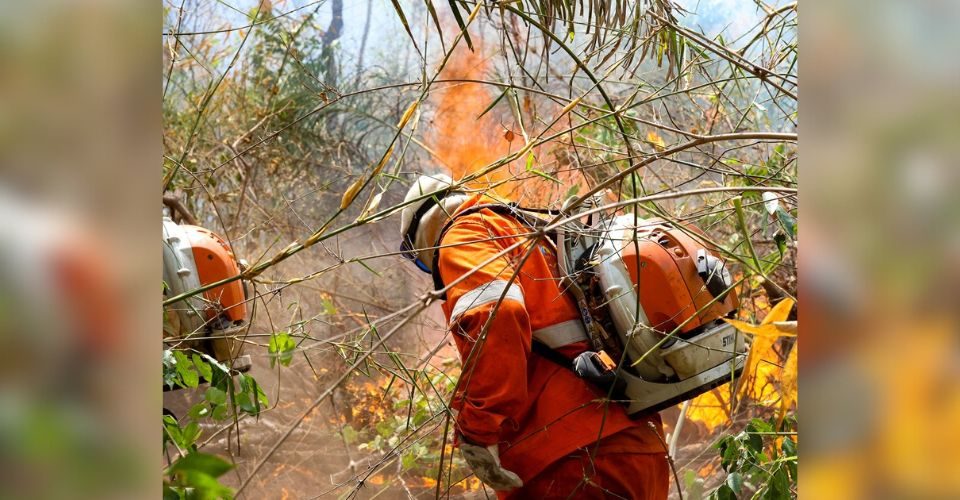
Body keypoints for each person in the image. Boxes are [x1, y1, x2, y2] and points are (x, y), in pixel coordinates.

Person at [399, 174, 670, 499]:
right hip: (636, 444)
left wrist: (478, 429)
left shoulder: (463, 234)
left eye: (421, 261)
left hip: (568, 458)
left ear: (424, 235)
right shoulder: (531, 231)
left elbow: (496, 316)